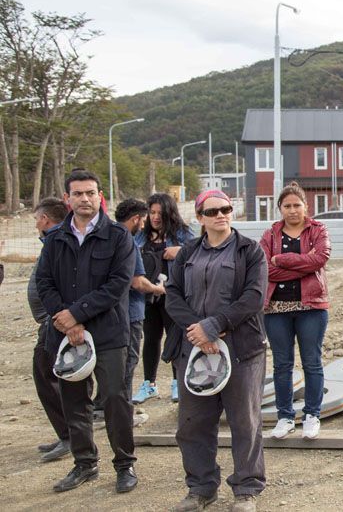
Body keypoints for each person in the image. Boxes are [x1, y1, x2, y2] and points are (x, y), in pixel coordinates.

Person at [35, 168, 138, 493]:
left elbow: (118, 285)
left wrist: (76, 316)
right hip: (65, 335)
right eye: (78, 193)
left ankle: (124, 465)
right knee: (73, 400)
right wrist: (64, 320)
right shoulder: (55, 239)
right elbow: (45, 282)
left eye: (90, 193)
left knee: (113, 398)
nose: (84, 199)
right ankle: (84, 464)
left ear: (100, 196)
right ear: (67, 199)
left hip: (107, 332)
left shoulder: (119, 236)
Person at [165, 189, 268, 512]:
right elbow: (173, 295)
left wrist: (215, 326)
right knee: (193, 422)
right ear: (200, 218)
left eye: (226, 209)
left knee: (244, 421)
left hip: (240, 349)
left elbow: (253, 297)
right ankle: (201, 488)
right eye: (212, 211)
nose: (221, 214)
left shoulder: (250, 251)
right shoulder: (188, 253)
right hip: (195, 349)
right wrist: (198, 331)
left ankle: (246, 489)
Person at [260, 182, 330, 440]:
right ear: (280, 208)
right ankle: (285, 417)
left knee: (312, 362)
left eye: (296, 205)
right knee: (282, 365)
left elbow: (320, 259)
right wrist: (303, 264)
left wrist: (284, 260)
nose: (292, 210)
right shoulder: (270, 235)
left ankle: (312, 415)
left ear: (305, 206)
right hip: (276, 309)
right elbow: (264, 269)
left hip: (311, 307)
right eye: (287, 206)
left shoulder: (318, 230)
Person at [132, 192, 194, 404]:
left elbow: (200, 253)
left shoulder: (183, 235)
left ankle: (178, 382)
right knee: (150, 338)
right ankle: (149, 384)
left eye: (160, 213)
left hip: (173, 295)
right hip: (148, 296)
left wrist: (181, 251)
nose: (155, 217)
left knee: (175, 337)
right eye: (152, 212)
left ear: (170, 213)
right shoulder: (140, 237)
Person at [28, 197, 70, 462]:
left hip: (55, 322)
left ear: (45, 219)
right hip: (49, 321)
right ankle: (66, 434)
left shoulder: (57, 241)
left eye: (36, 219)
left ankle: (69, 436)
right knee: (47, 376)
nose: (35, 224)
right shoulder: (52, 241)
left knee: (50, 377)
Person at [115, 199, 167, 399]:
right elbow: (137, 281)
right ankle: (123, 409)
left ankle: (107, 406)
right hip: (131, 312)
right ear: (135, 219)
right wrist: (157, 289)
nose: (145, 225)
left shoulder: (106, 238)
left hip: (112, 313)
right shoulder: (128, 242)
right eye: (144, 219)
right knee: (128, 361)